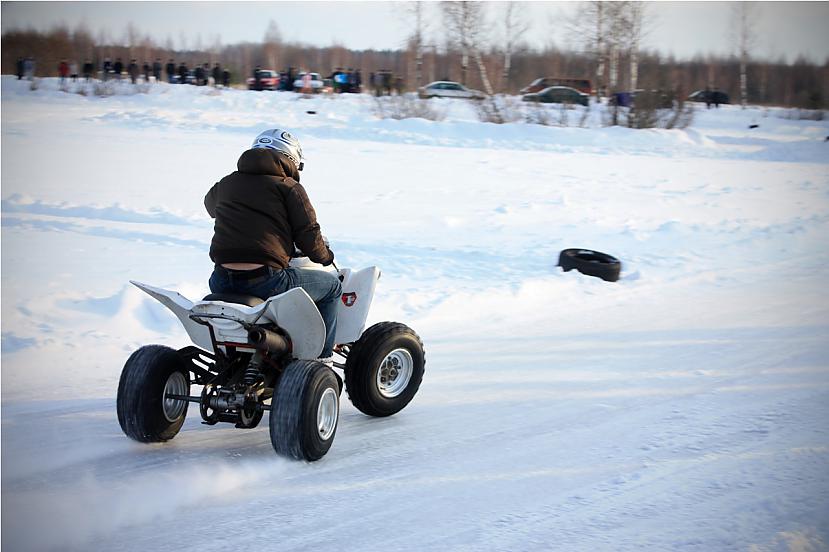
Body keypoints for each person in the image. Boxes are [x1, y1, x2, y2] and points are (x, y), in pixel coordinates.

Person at [204, 129, 342, 363]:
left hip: (220, 279)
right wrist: (326, 257)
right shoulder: (288, 187)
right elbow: (309, 236)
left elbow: (210, 207)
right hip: (265, 281)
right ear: (291, 159)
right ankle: (321, 361)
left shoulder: (227, 183)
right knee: (332, 288)